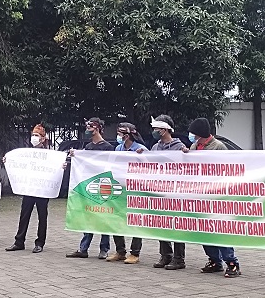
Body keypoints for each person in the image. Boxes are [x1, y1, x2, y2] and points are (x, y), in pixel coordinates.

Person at [184, 117, 240, 278]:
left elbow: (227, 169)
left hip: (216, 196)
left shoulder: (218, 147)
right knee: (204, 230)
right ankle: (214, 261)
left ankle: (232, 262)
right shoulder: (195, 146)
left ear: (200, 133)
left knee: (219, 229)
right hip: (200, 196)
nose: (191, 136)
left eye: (194, 133)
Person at [66, 118, 114, 259]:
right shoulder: (88, 148)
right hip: (90, 186)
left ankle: (104, 248)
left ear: (97, 128)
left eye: (90, 127)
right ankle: (83, 248)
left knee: (104, 217)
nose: (87, 130)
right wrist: (76, 156)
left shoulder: (107, 147)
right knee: (88, 216)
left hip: (103, 186)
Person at [5, 124, 51, 253]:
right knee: (24, 214)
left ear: (42, 138)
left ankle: (40, 243)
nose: (34, 138)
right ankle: (19, 241)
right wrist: (9, 161)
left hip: (42, 189)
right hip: (29, 188)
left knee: (42, 216)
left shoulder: (49, 154)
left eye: (37, 135)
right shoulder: (27, 153)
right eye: (33, 135)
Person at [106, 122, 147, 264]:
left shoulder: (141, 150)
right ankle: (120, 251)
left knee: (135, 220)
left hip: (136, 191)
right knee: (116, 219)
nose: (118, 136)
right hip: (120, 189)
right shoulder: (118, 148)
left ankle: (135, 253)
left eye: (120, 134)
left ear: (128, 135)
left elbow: (150, 168)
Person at [149, 115, 186, 270]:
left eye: (156, 129)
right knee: (161, 225)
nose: (154, 131)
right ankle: (166, 255)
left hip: (175, 193)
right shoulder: (155, 148)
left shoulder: (179, 147)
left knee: (176, 225)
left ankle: (179, 259)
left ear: (164, 130)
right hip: (159, 192)